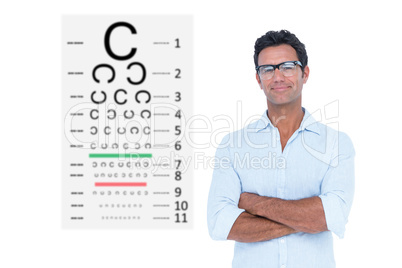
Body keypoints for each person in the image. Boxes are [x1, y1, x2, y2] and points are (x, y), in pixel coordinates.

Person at [207, 30, 355, 268]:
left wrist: (253, 203)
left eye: (287, 66)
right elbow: (220, 224)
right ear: (258, 79)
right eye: (267, 69)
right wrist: (308, 220)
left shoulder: (336, 144)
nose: (277, 76)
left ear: (304, 73)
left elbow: (332, 215)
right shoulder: (233, 146)